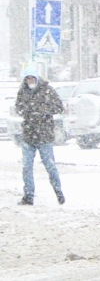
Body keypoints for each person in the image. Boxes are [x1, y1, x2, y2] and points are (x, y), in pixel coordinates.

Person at [14, 63, 65, 205]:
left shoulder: (47, 91)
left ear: (37, 78)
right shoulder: (22, 92)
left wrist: (42, 111)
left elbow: (58, 107)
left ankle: (58, 191)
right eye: (27, 79)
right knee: (26, 166)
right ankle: (28, 195)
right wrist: (27, 111)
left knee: (50, 165)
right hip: (28, 135)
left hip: (44, 135)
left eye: (32, 78)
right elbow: (19, 107)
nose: (30, 81)